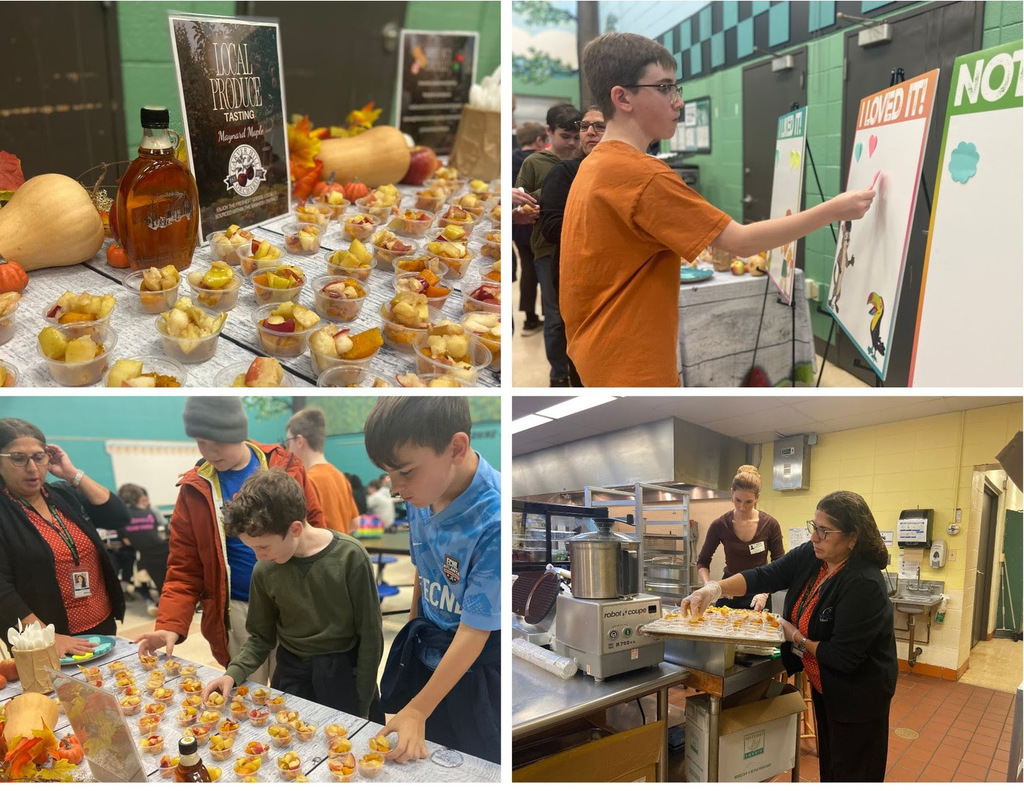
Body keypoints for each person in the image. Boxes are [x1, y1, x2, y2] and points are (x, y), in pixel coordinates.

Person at [560, 33, 876, 386]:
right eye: (665, 88)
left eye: (676, 88)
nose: (678, 102)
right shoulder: (642, 173)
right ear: (622, 97)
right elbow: (741, 242)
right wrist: (834, 209)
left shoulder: (597, 161)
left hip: (596, 350)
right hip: (630, 362)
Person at [681, 491, 897, 782]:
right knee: (833, 768)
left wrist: (795, 636)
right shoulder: (814, 557)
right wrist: (714, 590)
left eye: (824, 531)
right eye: (814, 526)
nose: (814, 537)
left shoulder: (863, 582)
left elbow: (842, 658)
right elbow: (765, 575)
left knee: (855, 772)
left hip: (858, 696)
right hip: (827, 686)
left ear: (852, 537)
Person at [136, 397, 325, 685]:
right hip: (238, 609)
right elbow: (183, 568)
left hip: (293, 603)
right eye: (201, 442)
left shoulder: (285, 465)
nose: (210, 452)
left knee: (298, 689)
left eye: (218, 442)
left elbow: (315, 530)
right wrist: (169, 625)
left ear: (238, 433)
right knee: (248, 691)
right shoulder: (194, 489)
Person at [363, 397, 499, 764]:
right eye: (390, 474)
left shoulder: (493, 520)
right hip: (427, 653)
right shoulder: (421, 491)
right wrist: (411, 628)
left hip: (474, 669)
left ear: (455, 448)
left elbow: (475, 630)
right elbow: (425, 568)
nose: (395, 488)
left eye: (405, 472)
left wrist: (419, 710)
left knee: (472, 763)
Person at [201, 470, 384, 721]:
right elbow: (261, 638)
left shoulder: (350, 557)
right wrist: (232, 674)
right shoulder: (264, 569)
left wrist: (362, 704)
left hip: (343, 676)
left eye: (263, 546)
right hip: (292, 675)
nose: (258, 556)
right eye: (252, 548)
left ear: (295, 528)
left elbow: (371, 638)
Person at [0, 418, 129, 656]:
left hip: (100, 625)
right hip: (46, 638)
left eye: (39, 457)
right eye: (18, 458)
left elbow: (118, 517)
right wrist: (47, 637)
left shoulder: (63, 494)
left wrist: (72, 474)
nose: (32, 468)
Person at [539, 105, 607, 387]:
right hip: (577, 280)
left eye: (600, 126)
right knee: (583, 359)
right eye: (584, 126)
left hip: (620, 283)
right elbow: (552, 229)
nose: (590, 131)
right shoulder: (565, 173)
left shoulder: (633, 172)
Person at [516, 103, 582, 387]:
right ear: (548, 132)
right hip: (546, 248)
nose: (572, 143)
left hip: (581, 248)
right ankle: (558, 372)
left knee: (578, 315)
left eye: (576, 137)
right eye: (565, 136)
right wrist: (525, 211)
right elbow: (521, 201)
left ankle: (579, 369)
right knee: (554, 315)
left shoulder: (587, 160)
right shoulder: (534, 163)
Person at [695, 465, 784, 610]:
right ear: (731, 494)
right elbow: (703, 562)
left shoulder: (770, 524)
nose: (742, 507)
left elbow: (779, 564)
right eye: (738, 500)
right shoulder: (720, 524)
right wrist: (709, 586)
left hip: (758, 591)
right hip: (729, 590)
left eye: (748, 502)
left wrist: (765, 592)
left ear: (757, 498)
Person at [285, 407, 359, 535]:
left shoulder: (306, 481)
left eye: (288, 441)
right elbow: (355, 523)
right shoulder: (340, 477)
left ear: (299, 441)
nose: (287, 448)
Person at [513, 120, 548, 335]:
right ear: (538, 140)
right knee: (545, 270)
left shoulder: (510, 158)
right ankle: (549, 314)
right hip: (536, 223)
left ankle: (529, 319)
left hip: (517, 226)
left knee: (528, 270)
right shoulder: (540, 161)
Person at [116, 483, 169, 617]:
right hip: (164, 551)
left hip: (147, 556)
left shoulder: (120, 517)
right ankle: (157, 602)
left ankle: (149, 601)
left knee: (138, 568)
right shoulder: (148, 512)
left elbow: (127, 541)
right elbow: (156, 531)